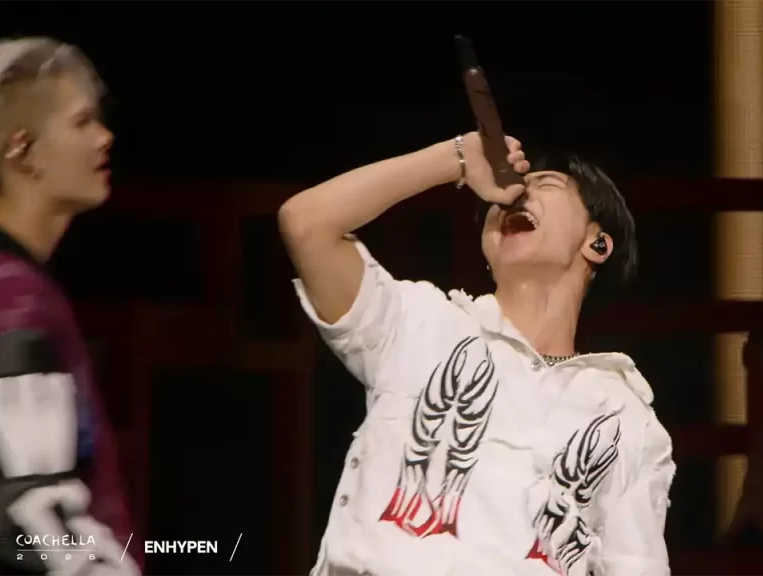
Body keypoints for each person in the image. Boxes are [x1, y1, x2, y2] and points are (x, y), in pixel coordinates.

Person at [280, 133, 675, 576]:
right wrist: (456, 160)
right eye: (502, 193)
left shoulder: (623, 414)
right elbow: (306, 223)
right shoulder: (419, 322)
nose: (514, 194)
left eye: (545, 184)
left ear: (597, 244)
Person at [0, 37, 140, 575]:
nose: (104, 137)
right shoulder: (12, 296)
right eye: (82, 122)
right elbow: (31, 516)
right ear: (22, 150)